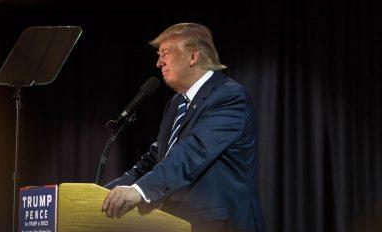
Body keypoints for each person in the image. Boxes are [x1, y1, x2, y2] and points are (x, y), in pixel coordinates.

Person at [102, 22, 266, 232]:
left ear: (193, 56)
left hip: (222, 224)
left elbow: (191, 153)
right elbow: (156, 158)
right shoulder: (177, 103)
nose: (159, 63)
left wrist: (140, 191)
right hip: (180, 223)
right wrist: (104, 193)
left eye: (165, 53)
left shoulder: (229, 97)